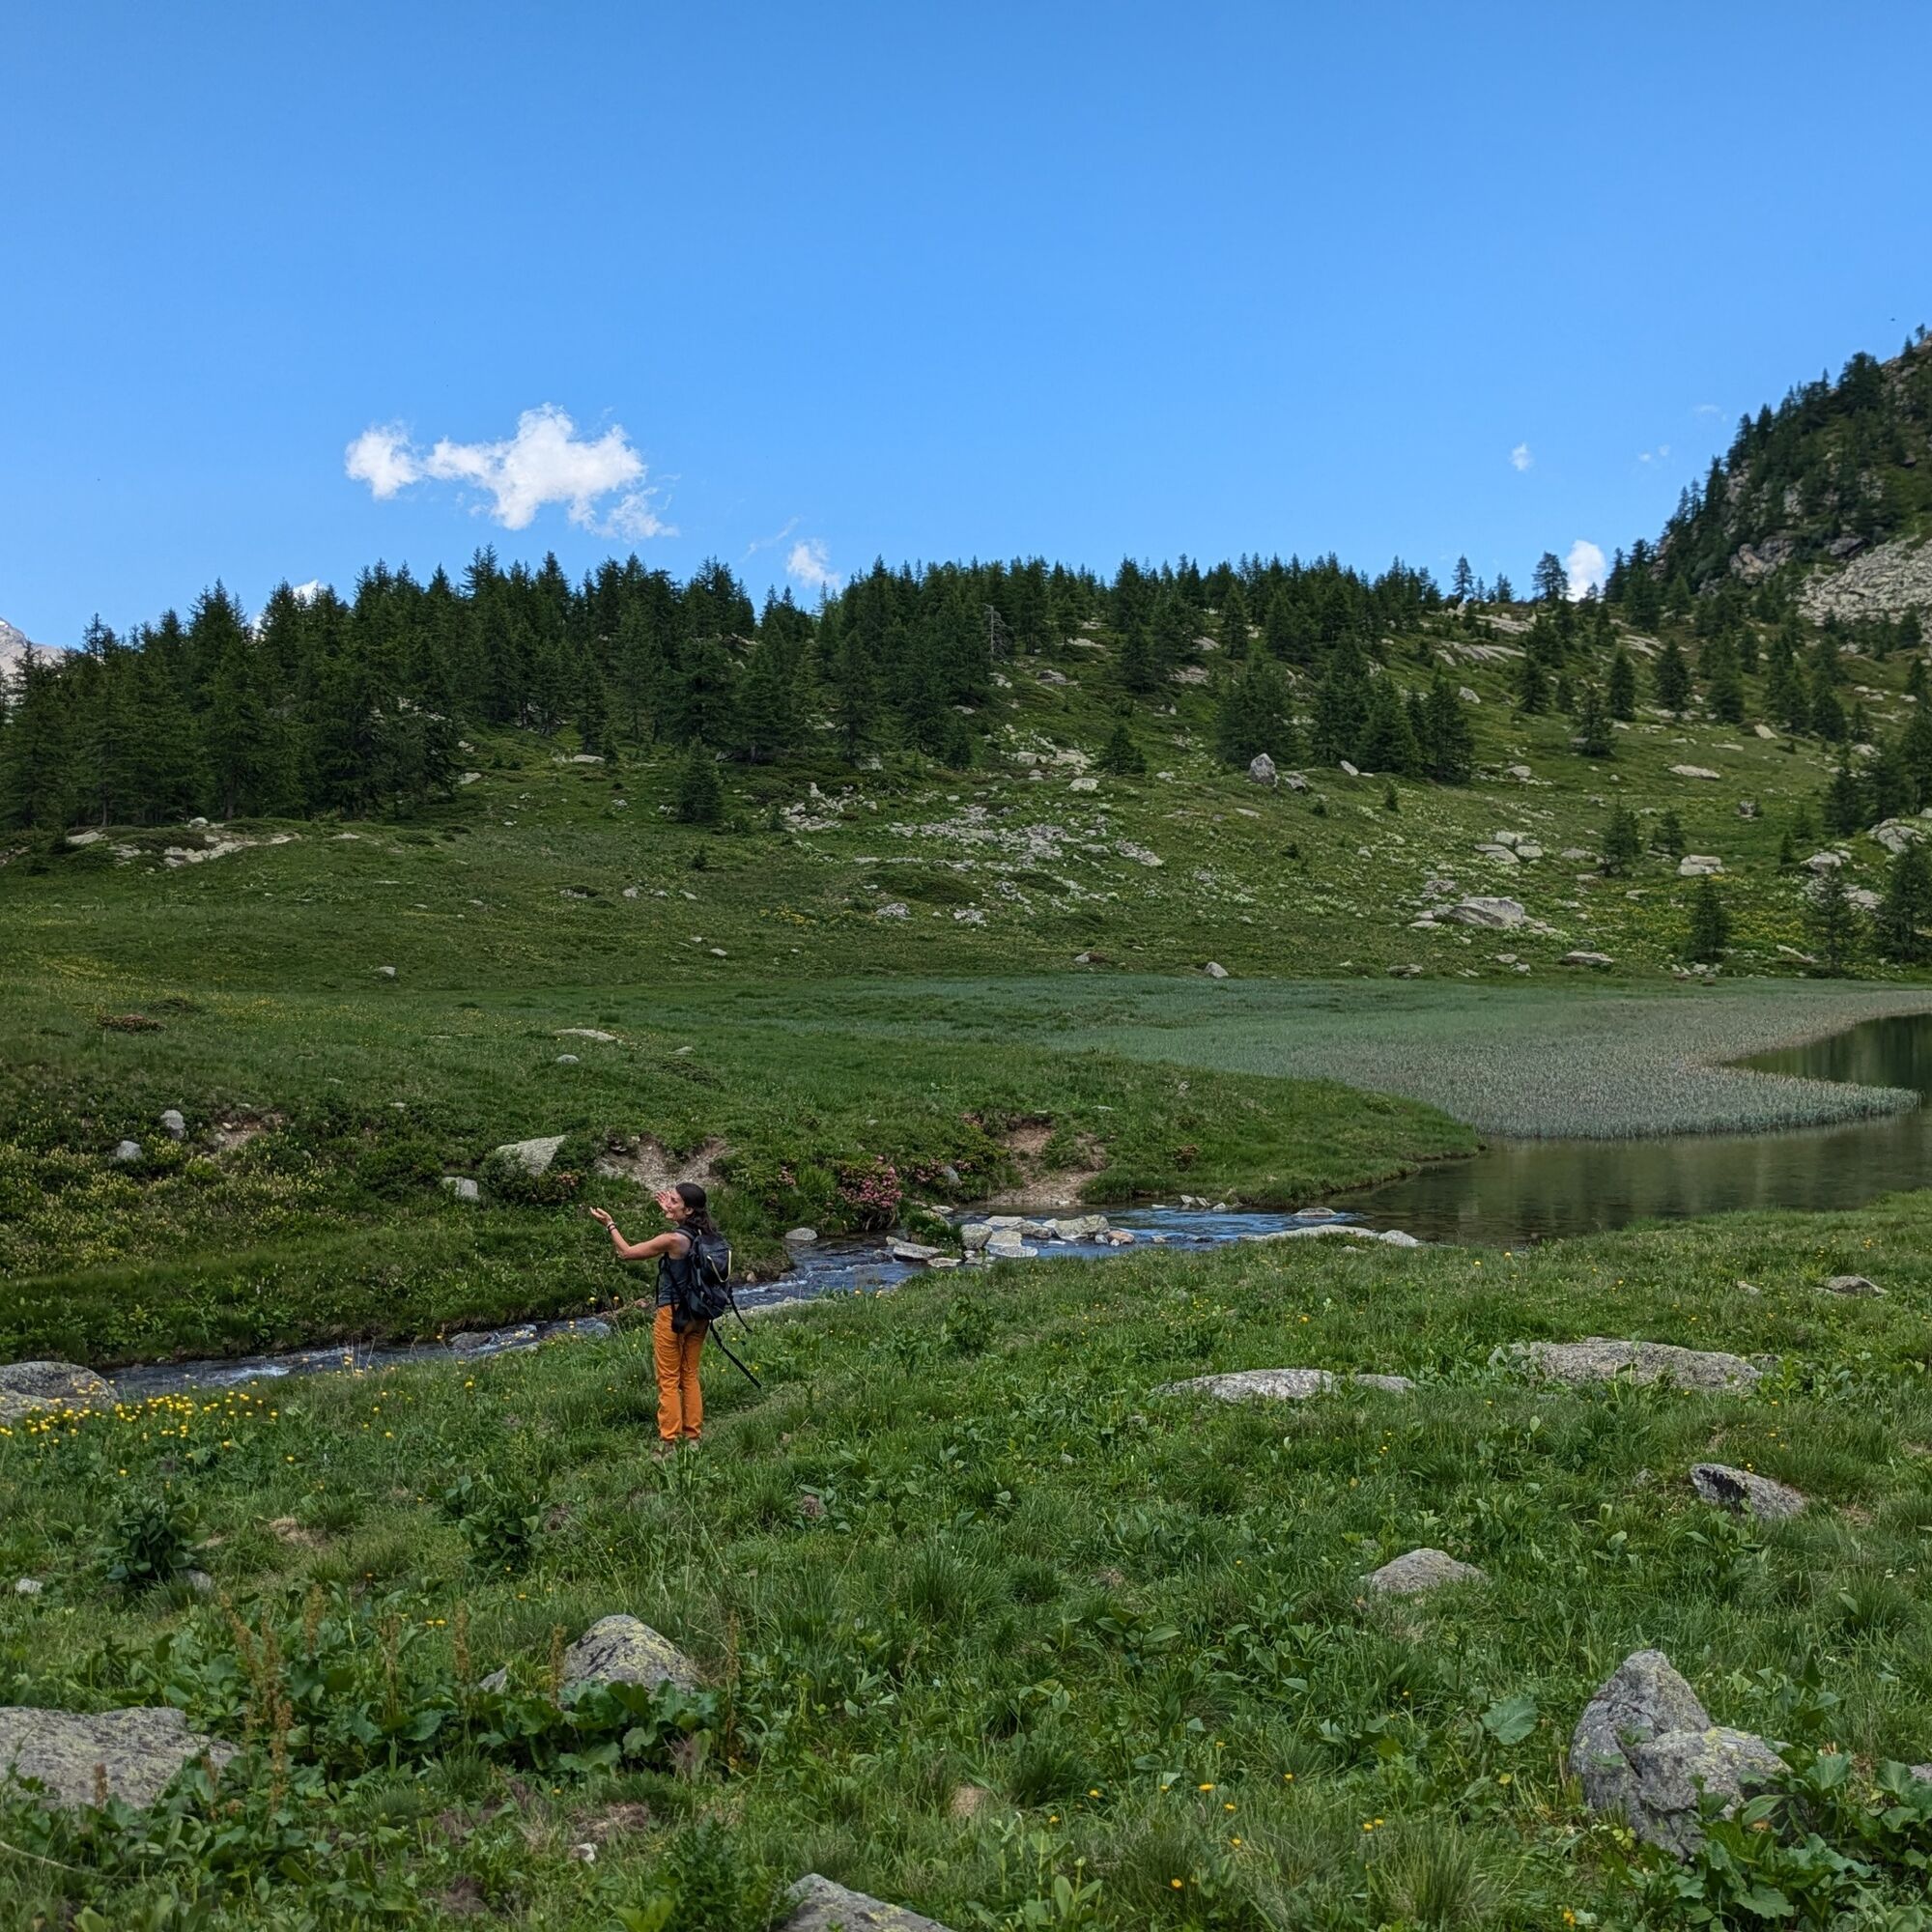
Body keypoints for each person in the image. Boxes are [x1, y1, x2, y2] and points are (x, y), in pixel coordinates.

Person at [589, 1180, 719, 1455]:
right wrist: (672, 1212)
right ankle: (693, 1439)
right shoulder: (706, 1234)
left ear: (689, 1210)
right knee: (689, 1374)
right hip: (700, 1313)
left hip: (672, 1314)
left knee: (668, 1378)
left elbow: (626, 1253)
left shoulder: (672, 1240)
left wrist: (610, 1224)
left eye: (674, 1201)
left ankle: (669, 1442)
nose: (667, 1204)